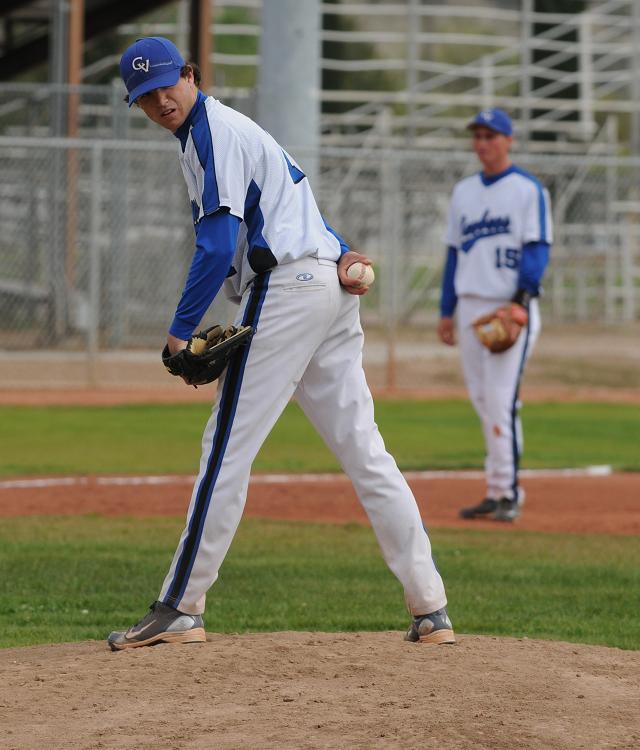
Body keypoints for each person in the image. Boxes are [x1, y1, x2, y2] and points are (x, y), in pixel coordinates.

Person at [108, 36, 454, 649]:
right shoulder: (221, 133)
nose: (160, 99)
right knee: (364, 449)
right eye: (146, 95)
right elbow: (298, 204)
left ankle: (182, 605)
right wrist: (342, 249)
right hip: (323, 285)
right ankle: (431, 607)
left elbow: (217, 247)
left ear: (190, 75)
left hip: (290, 289)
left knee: (226, 446)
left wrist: (178, 335)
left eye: (167, 84)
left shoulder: (215, 133)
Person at [438, 108, 552, 522]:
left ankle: (507, 493)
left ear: (509, 140)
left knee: (501, 401)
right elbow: (454, 253)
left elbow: (537, 248)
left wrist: (521, 301)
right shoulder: (464, 192)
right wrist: (446, 310)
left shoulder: (527, 190)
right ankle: (497, 490)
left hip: (508, 306)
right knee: (485, 401)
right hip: (470, 305)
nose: (483, 143)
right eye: (478, 136)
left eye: (491, 135)